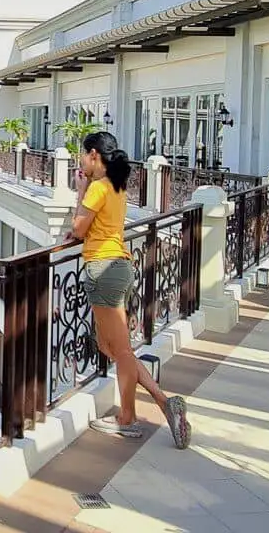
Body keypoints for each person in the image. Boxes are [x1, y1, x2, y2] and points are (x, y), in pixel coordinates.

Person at [68, 130, 190, 449]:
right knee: (111, 347)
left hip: (103, 269)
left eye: (83, 154)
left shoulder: (98, 188)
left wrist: (80, 192)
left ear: (94, 155)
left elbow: (78, 229)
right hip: (116, 267)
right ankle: (165, 404)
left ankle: (128, 419)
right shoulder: (117, 187)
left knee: (119, 350)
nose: (80, 161)